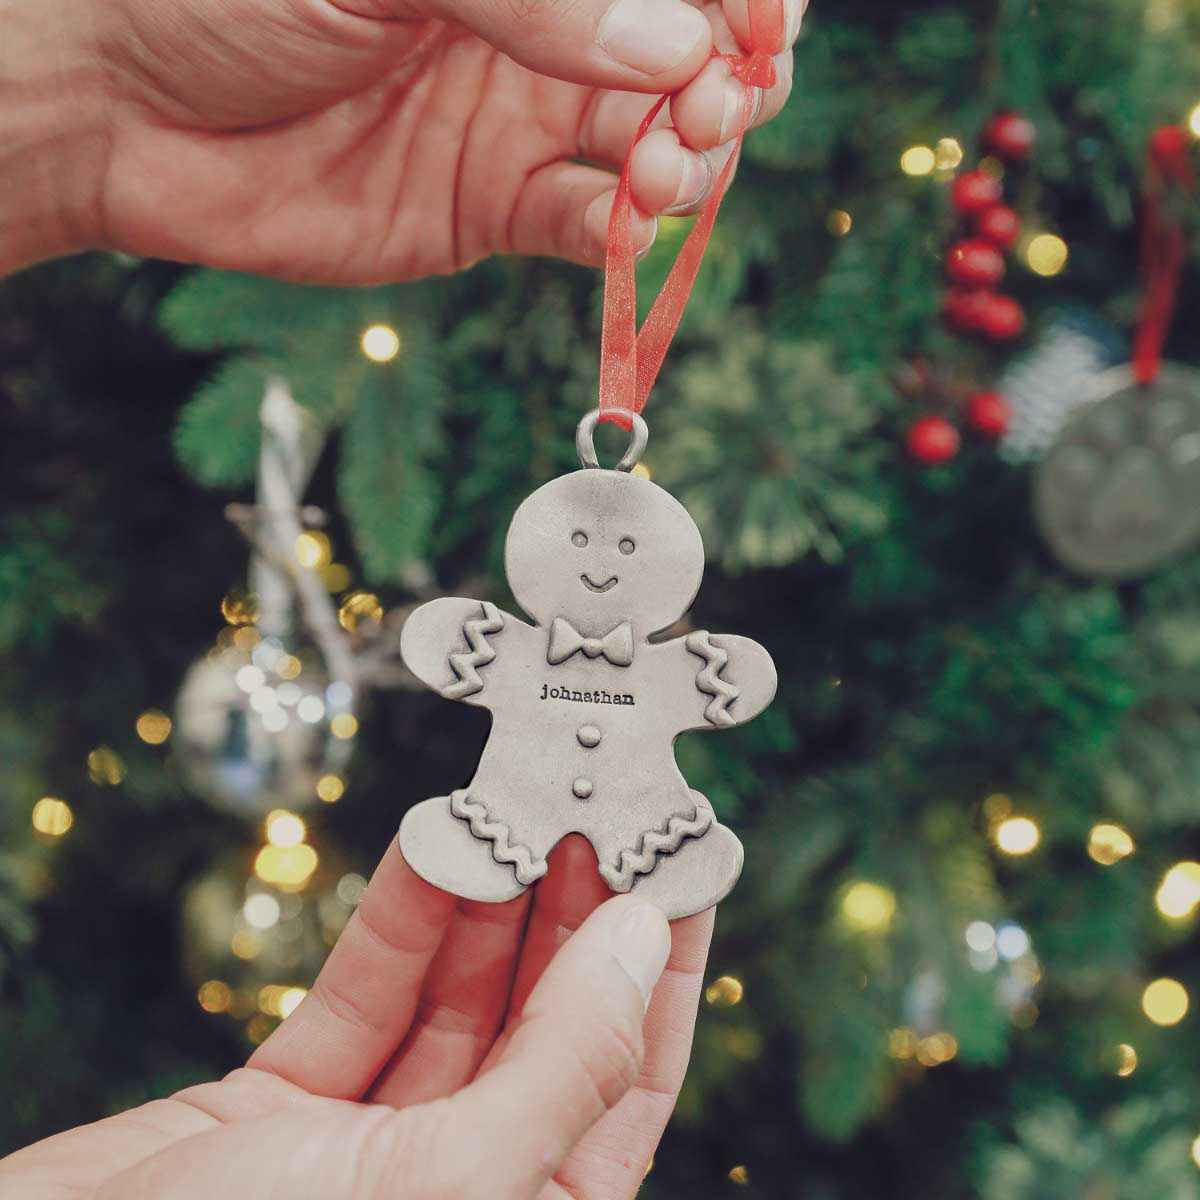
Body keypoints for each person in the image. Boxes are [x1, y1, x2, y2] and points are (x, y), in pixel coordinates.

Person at [0, 0, 802, 1194]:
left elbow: (712, 680)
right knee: (501, 821)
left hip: (641, 787)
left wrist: (712, 673)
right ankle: (489, 834)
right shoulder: (538, 637)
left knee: (650, 837)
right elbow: (456, 647)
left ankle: (655, 838)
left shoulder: (654, 657)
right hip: (519, 785)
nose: (594, 565)